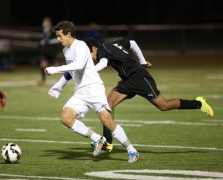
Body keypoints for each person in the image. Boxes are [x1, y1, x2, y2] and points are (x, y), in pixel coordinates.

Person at [48, 37, 214, 152]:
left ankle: (198, 103)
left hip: (139, 77)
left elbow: (104, 63)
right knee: (108, 104)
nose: (90, 59)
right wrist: (142, 59)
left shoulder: (103, 50)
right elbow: (133, 43)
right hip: (127, 80)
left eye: (89, 55)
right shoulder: (113, 43)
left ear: (93, 48)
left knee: (163, 105)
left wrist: (90, 69)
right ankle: (108, 143)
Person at [44, 21, 139, 163]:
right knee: (66, 118)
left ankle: (132, 150)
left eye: (59, 36)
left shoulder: (81, 45)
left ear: (68, 34)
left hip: (94, 89)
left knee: (107, 121)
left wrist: (55, 69)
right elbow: (72, 70)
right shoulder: (66, 50)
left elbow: (79, 64)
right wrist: (59, 86)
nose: (58, 39)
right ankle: (97, 139)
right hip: (80, 92)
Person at [38, 17, 60, 86]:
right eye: (44, 23)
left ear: (49, 24)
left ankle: (61, 81)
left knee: (56, 68)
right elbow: (40, 42)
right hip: (45, 52)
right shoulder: (42, 32)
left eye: (46, 23)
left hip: (52, 52)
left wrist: (48, 42)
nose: (44, 24)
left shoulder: (53, 31)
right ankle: (43, 80)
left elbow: (57, 40)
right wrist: (41, 43)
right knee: (42, 65)